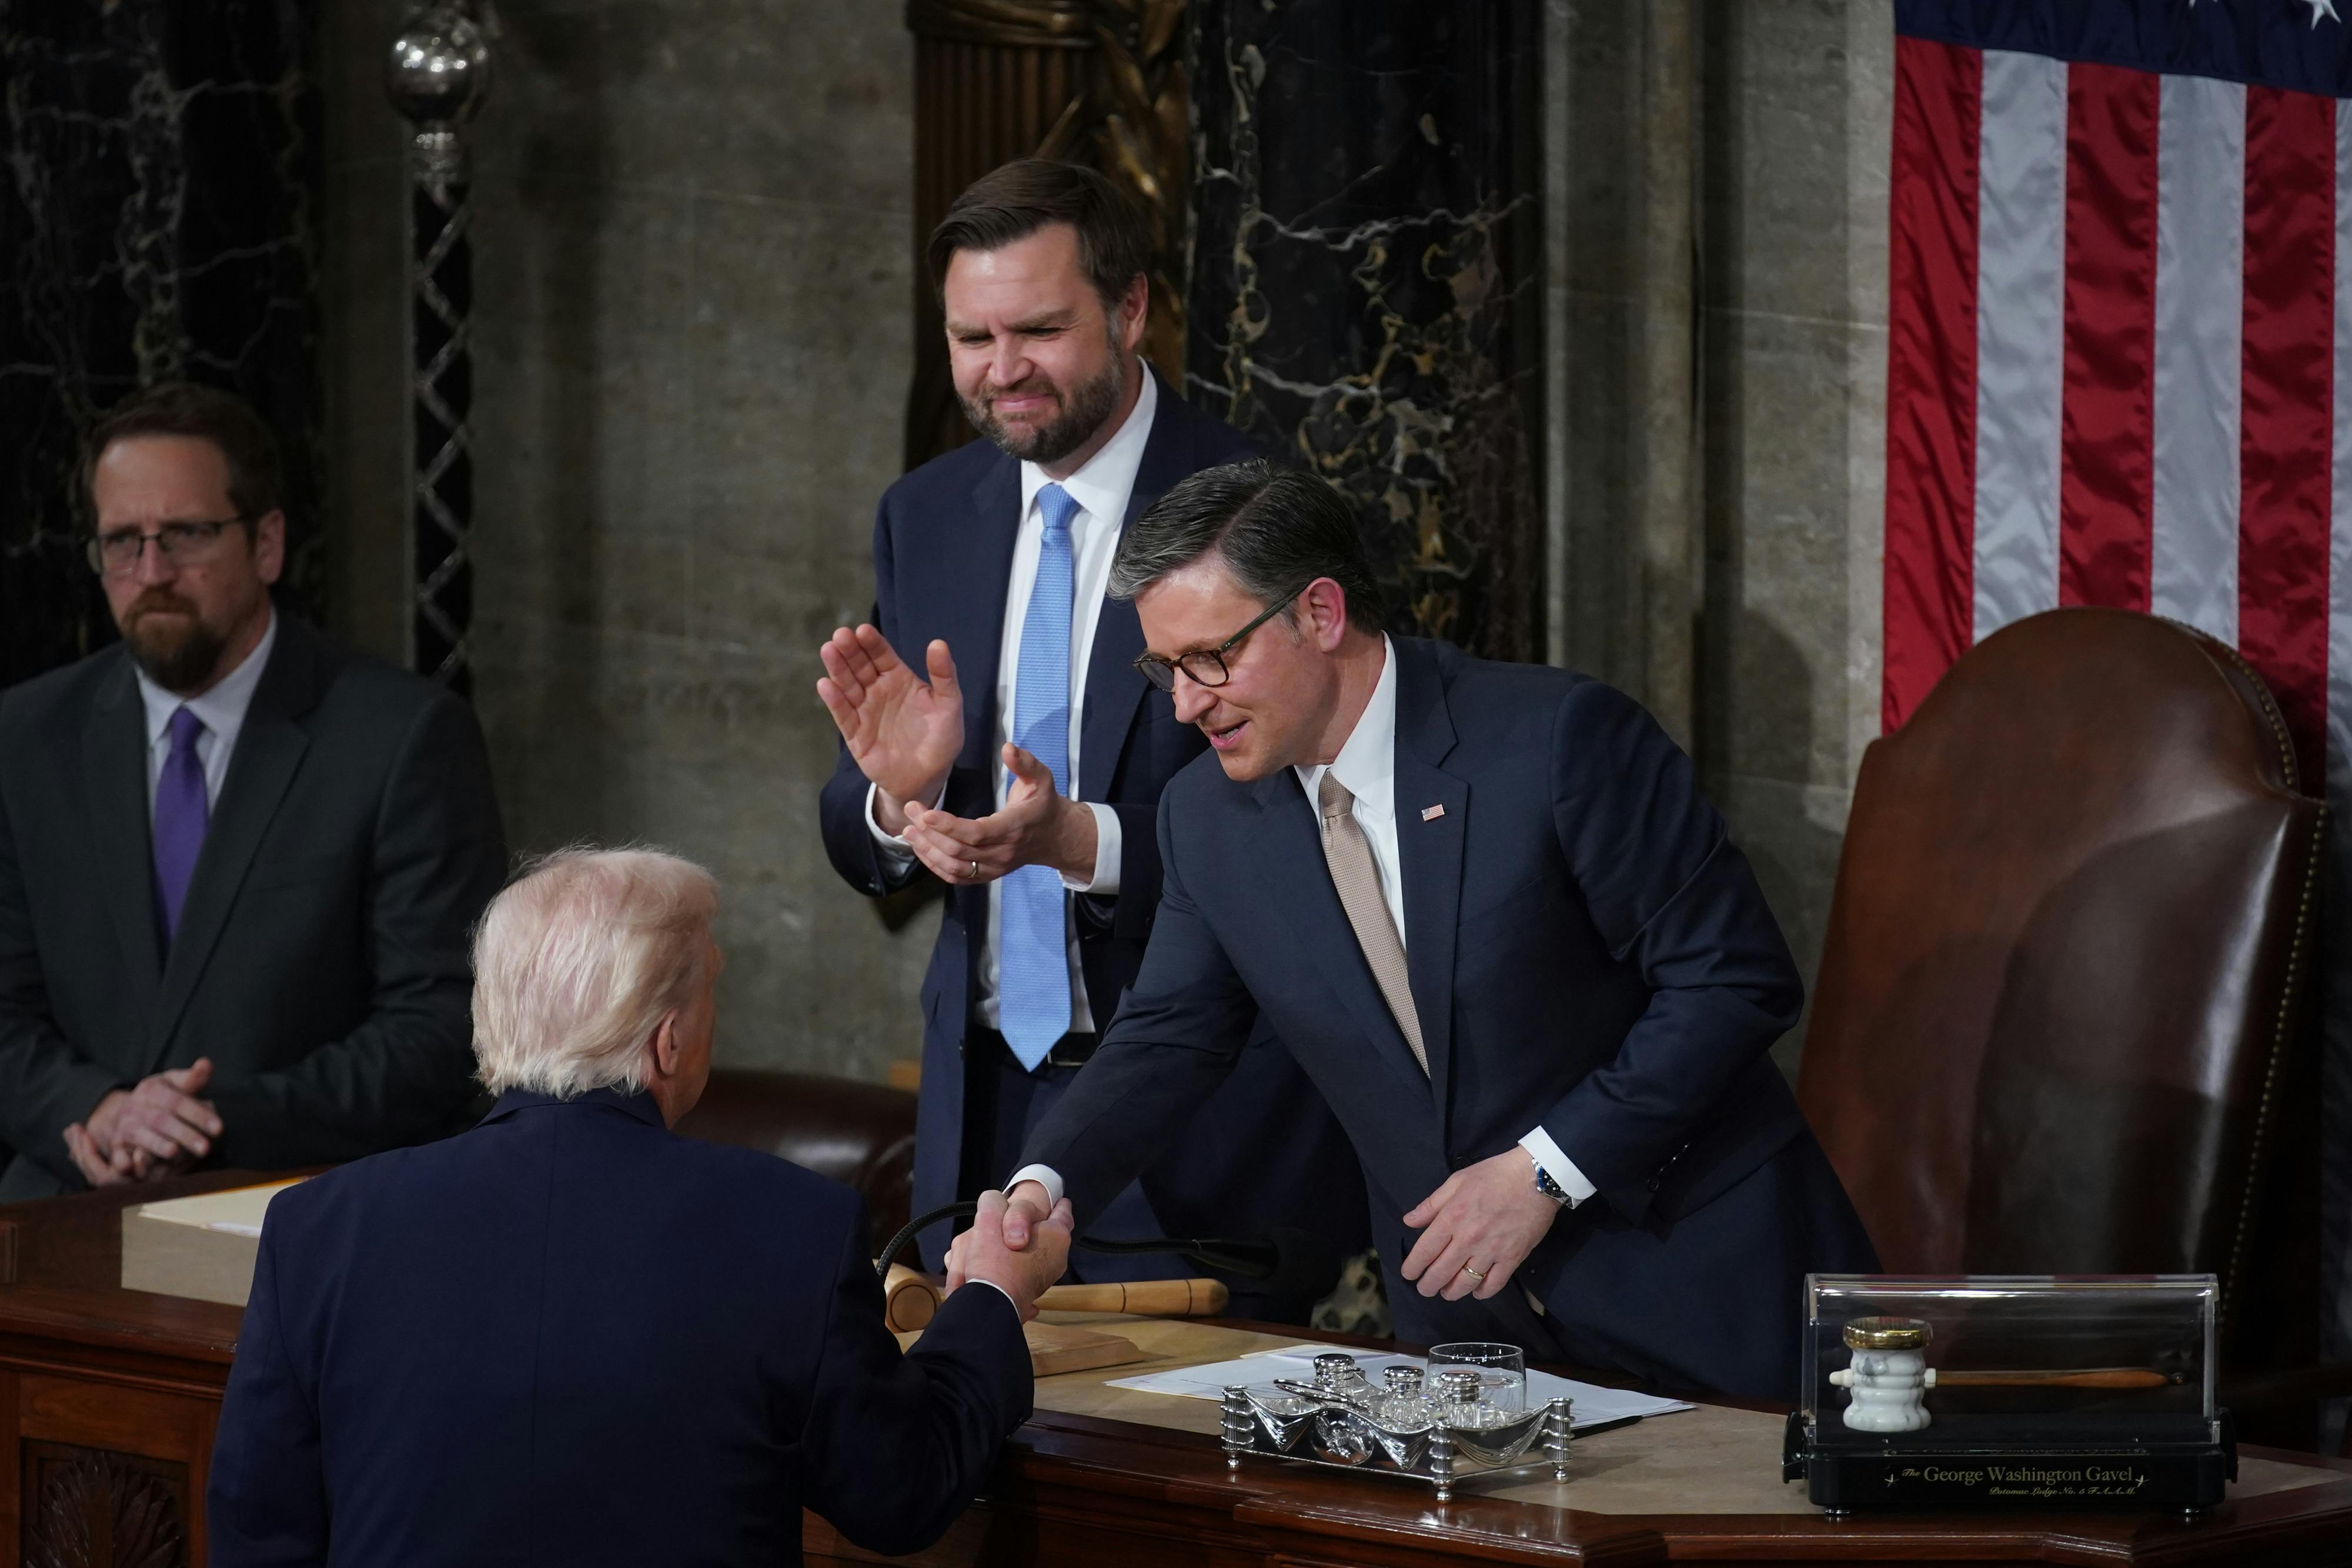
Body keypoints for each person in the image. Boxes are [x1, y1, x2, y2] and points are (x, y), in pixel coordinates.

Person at [954, 461, 1880, 1402]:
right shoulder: (1206, 818)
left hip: (1700, 1284)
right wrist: (1042, 1191)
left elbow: (1733, 982)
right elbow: (1169, 1037)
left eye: (1211, 659)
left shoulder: (1558, 740)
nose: (1187, 703)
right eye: (1164, 669)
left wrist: (1545, 1173)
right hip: (1472, 1332)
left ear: (1319, 613)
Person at [816, 159, 1363, 1313]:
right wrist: (894, 804)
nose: (999, 368)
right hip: (979, 1115)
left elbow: (1318, 827)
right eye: (971, 336)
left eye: (1039, 329)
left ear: (1128, 311)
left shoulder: (1254, 507)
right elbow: (855, 825)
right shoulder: (923, 515)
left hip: (1194, 1134)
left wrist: (1081, 841)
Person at [208, 848, 1071, 1566]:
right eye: (710, 994)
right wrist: (992, 1296)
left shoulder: (319, 1229)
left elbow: (259, 1539)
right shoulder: (787, 1229)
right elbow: (900, 1493)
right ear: (667, 1040)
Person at [0, 382, 506, 1201]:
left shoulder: (403, 737)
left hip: (301, 1205)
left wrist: (216, 1120)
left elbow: (444, 1028)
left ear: (267, 544)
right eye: (123, 542)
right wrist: (94, 1109)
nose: (152, 572)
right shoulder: (24, 739)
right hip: (63, 1201)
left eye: (188, 535)